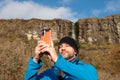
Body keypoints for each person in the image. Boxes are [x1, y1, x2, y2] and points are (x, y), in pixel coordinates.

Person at [24, 36, 98, 80]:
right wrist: (36, 59)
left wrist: (57, 60)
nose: (62, 48)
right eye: (60, 46)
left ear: (75, 51)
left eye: (67, 45)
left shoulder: (88, 69)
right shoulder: (49, 73)